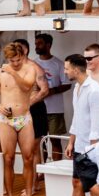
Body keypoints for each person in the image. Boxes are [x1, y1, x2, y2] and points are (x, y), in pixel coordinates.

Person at [54, 54, 99, 196]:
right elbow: (77, 119)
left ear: (76, 69)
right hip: (80, 146)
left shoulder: (95, 91)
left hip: (92, 148)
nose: (65, 71)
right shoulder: (77, 87)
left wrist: (91, 151)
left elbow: (98, 124)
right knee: (77, 183)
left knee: (92, 187)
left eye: (67, 68)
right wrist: (71, 142)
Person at [0, 42, 38, 196]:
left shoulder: (29, 69)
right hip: (6, 121)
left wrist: (13, 73)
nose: (15, 64)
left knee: (28, 158)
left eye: (18, 60)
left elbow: (27, 86)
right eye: (12, 61)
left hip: (24, 118)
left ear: (22, 56)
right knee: (8, 159)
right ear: (7, 58)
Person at [13, 38, 49, 196]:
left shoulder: (35, 68)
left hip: (35, 110)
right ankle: (33, 183)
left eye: (19, 48)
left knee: (33, 149)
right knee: (25, 149)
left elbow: (44, 90)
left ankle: (33, 185)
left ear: (26, 50)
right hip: (19, 111)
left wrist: (28, 103)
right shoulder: (15, 68)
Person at [35, 33, 70, 161]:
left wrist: (52, 91)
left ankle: (56, 168)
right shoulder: (33, 64)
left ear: (48, 45)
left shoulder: (59, 64)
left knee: (55, 141)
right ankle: (42, 171)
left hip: (55, 110)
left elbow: (67, 84)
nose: (37, 46)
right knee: (40, 142)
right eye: (36, 44)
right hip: (38, 109)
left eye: (40, 43)